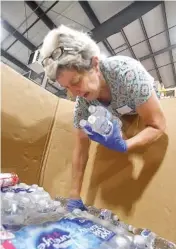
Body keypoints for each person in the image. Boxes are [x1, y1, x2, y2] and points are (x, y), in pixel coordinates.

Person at [40, 25, 166, 212]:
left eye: (75, 82)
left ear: (95, 65)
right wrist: (74, 194)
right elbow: (81, 149)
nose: (74, 93)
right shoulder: (82, 104)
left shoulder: (127, 74)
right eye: (67, 87)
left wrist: (126, 146)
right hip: (119, 112)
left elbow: (157, 125)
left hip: (145, 101)